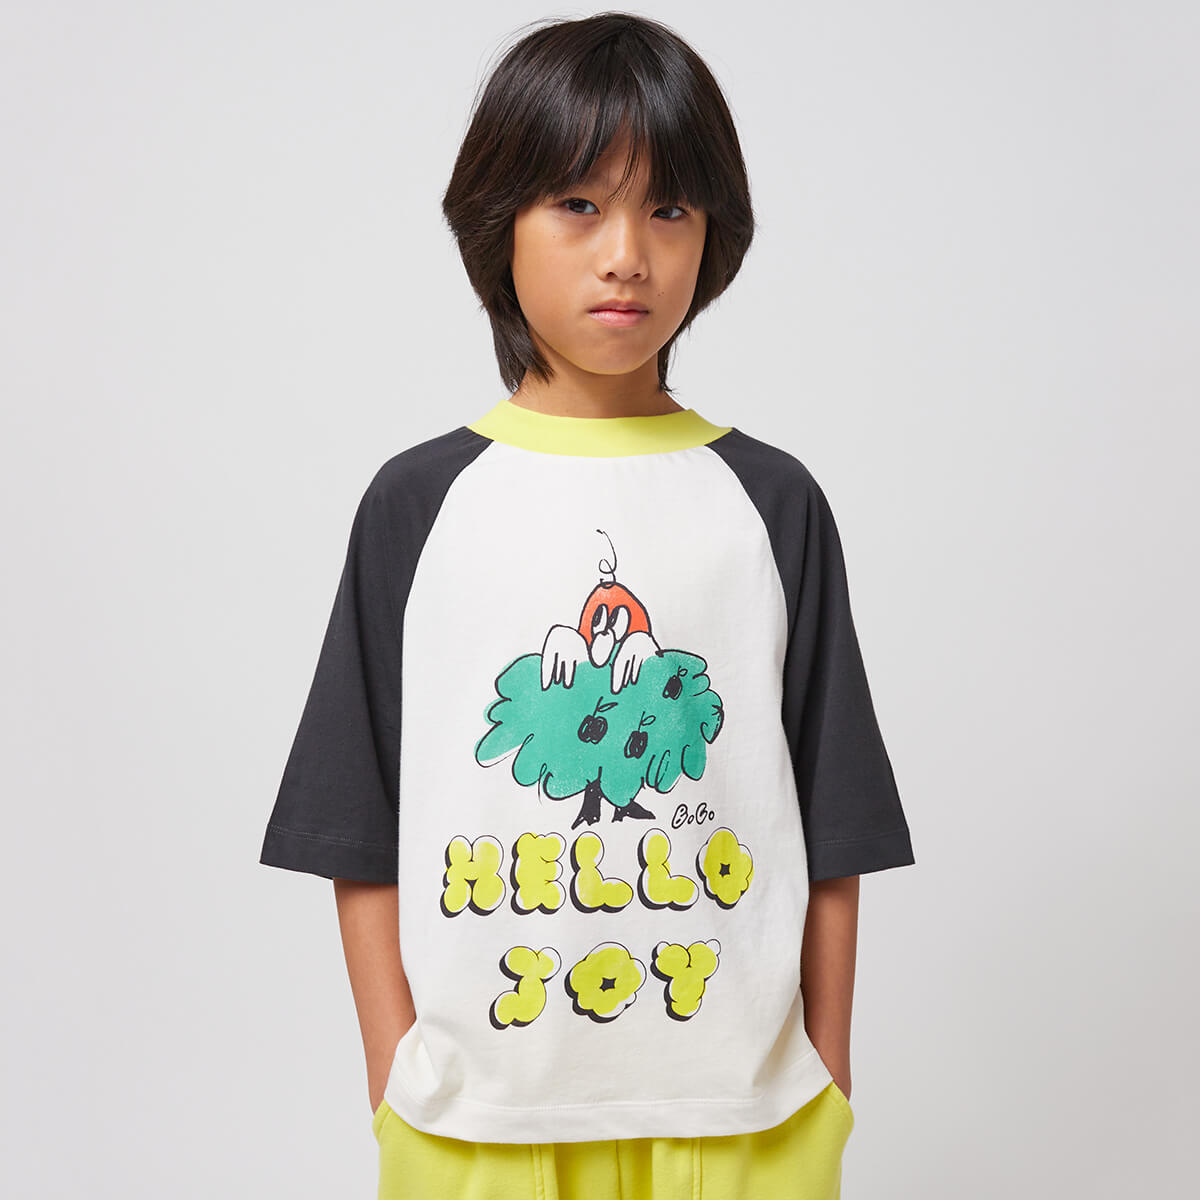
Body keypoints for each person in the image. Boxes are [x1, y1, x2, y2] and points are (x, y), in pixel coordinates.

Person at [259, 12, 915, 1199]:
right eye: (577, 204)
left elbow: (836, 821)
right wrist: (394, 1077)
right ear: (495, 223)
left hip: (746, 1118)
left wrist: (829, 1073)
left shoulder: (769, 503)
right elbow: (356, 820)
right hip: (475, 1123)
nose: (627, 255)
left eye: (669, 209)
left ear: (714, 235)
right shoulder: (421, 503)